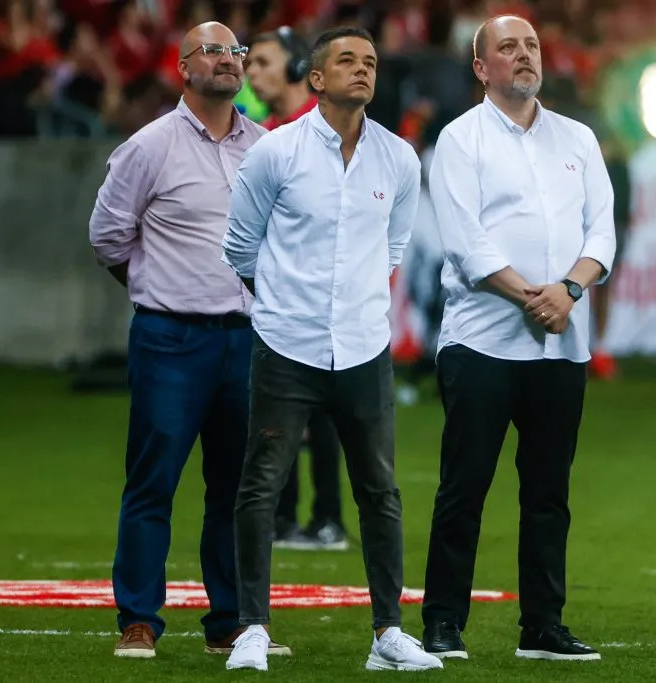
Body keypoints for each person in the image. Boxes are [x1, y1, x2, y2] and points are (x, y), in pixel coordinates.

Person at [219, 26, 441, 673]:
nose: (363, 69)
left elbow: (393, 250)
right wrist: (287, 301)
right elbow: (240, 245)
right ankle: (253, 628)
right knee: (261, 484)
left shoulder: (399, 159)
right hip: (286, 340)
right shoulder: (275, 152)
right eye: (347, 59)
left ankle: (388, 633)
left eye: (370, 61)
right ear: (315, 78)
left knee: (380, 490)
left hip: (364, 345)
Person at [419, 15, 615, 663]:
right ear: (481, 68)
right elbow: (464, 240)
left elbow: (602, 233)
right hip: (481, 342)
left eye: (530, 45)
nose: (523, 55)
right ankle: (443, 621)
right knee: (464, 487)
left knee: (548, 494)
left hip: (561, 343)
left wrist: (570, 290)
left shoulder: (577, 138)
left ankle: (543, 624)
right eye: (507, 47)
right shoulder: (460, 139)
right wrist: (536, 295)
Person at [88, 21, 287, 660]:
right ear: (182, 68)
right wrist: (159, 288)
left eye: (236, 52)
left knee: (238, 488)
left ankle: (230, 619)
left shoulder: (266, 147)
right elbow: (107, 237)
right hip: (170, 336)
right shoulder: (149, 146)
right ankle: (138, 618)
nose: (228, 61)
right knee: (154, 481)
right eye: (213, 51)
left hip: (245, 339)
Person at [245, 25, 347, 552]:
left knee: (322, 415)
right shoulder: (267, 133)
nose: (252, 73)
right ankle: (289, 519)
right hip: (278, 297)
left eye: (262, 62)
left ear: (295, 67)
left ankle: (326, 517)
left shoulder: (325, 129)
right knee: (279, 414)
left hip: (325, 296)